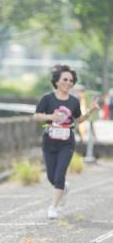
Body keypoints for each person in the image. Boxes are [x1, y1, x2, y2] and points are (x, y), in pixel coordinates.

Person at [34, 64, 100, 219]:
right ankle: (63, 188)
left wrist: (90, 111)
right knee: (51, 176)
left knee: (59, 175)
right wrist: (50, 117)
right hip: (49, 142)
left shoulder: (74, 101)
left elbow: (78, 120)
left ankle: (53, 207)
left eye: (71, 80)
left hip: (66, 143)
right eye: (65, 79)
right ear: (57, 81)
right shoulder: (47, 98)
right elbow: (36, 115)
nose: (68, 83)